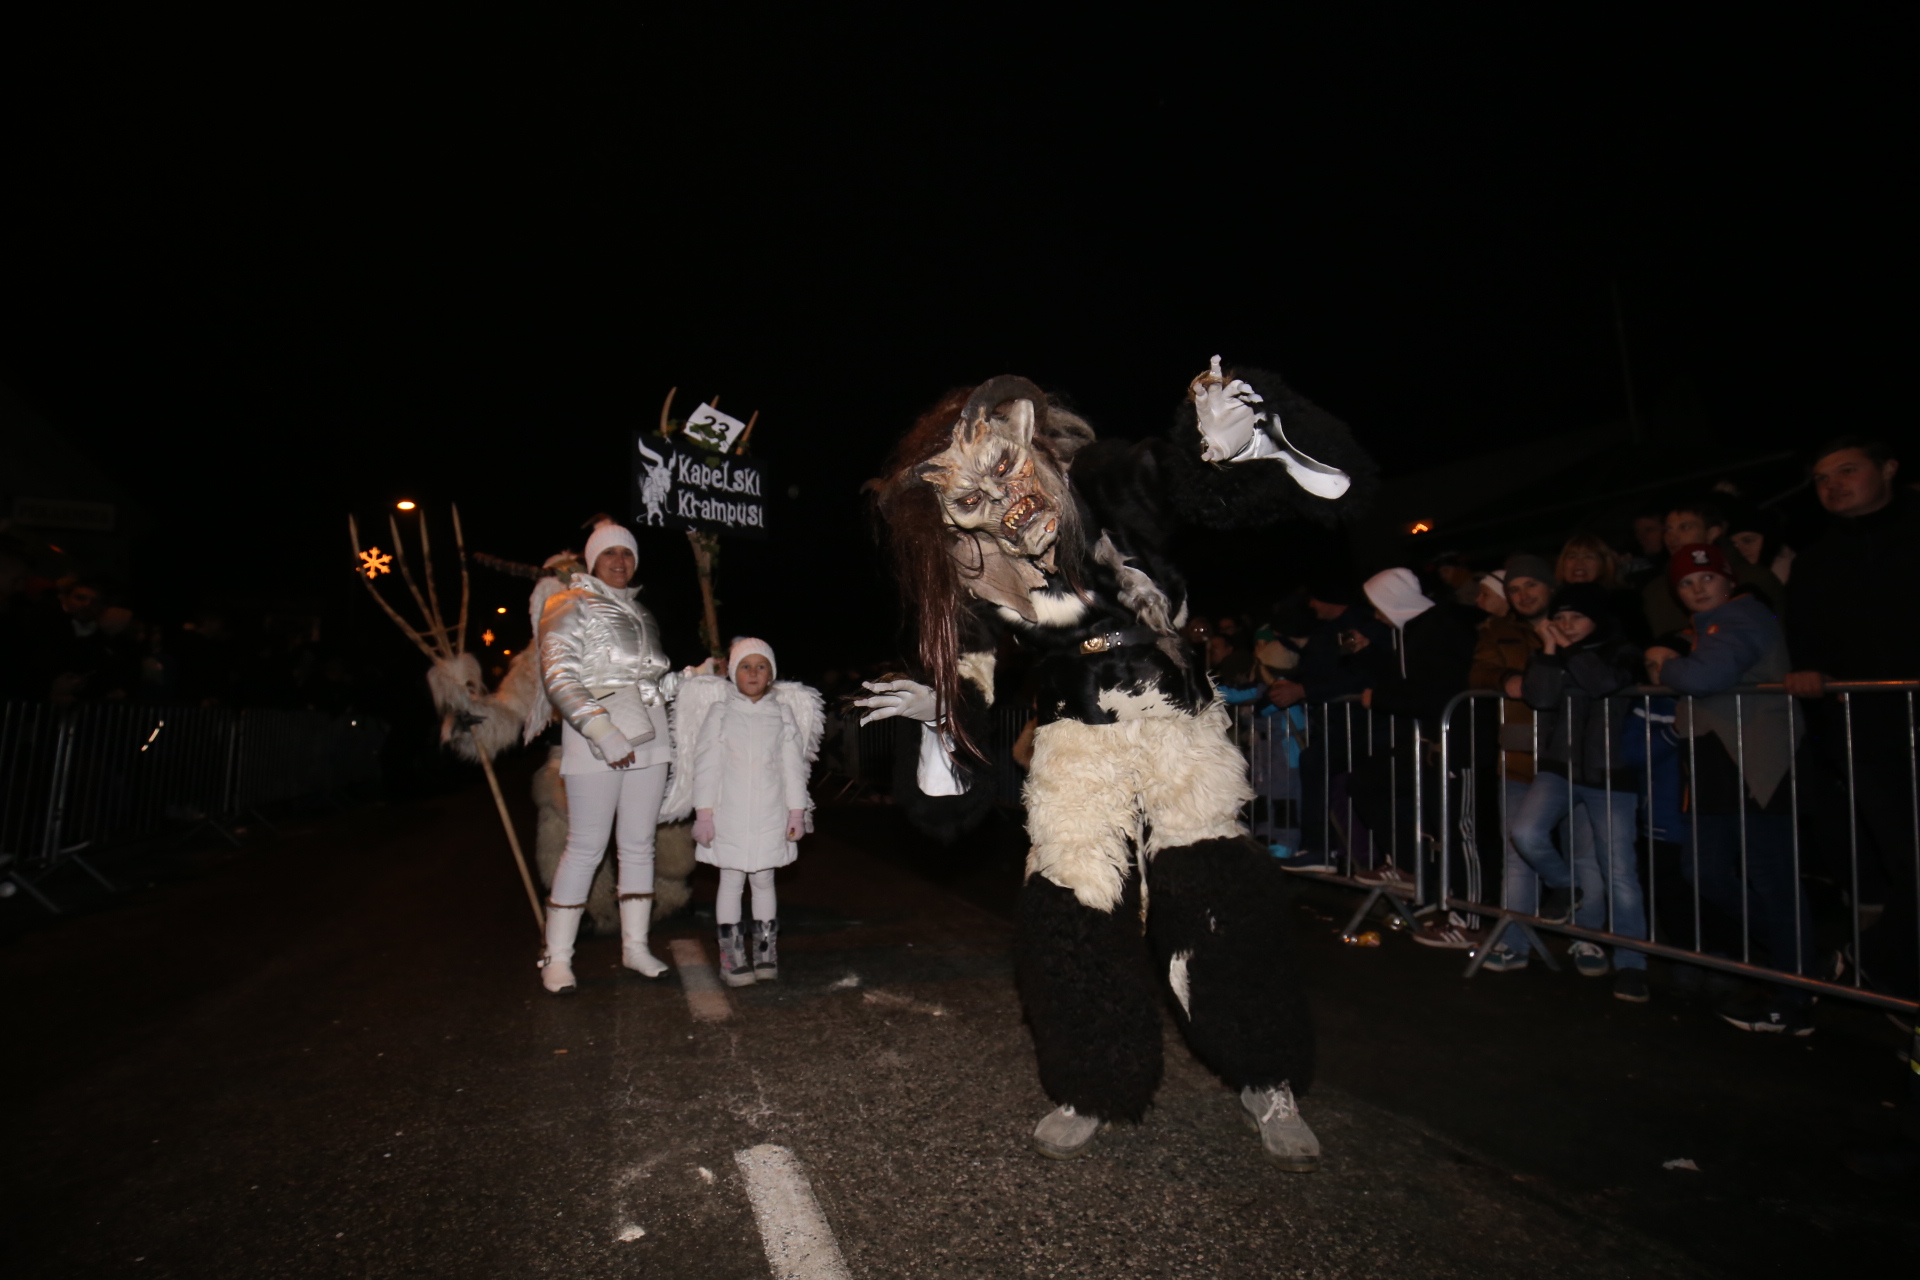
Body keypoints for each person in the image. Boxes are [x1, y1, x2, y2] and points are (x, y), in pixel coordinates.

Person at [863, 361, 1376, 1167]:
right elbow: (976, 671)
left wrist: (1228, 447)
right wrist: (945, 712)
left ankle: (1263, 1074)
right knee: (1071, 901)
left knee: (1213, 892)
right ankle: (1091, 1080)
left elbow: (1195, 488)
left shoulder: (1101, 485)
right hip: (1075, 735)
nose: (1003, 490)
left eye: (1005, 458)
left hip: (1172, 719)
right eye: (974, 484)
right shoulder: (976, 565)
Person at [1645, 543, 1811, 1032]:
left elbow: (1707, 675)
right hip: (1719, 768)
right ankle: (1797, 962)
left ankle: (1794, 993)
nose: (1697, 588)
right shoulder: (1713, 628)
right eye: (1686, 583)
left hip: (1756, 766)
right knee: (1707, 872)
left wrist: (1664, 665)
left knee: (1772, 880)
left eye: (1706, 578)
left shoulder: (1741, 618)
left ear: (1728, 580)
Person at [1785, 436, 1920, 999]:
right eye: (1822, 478)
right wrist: (1810, 671)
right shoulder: (1817, 560)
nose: (1833, 485)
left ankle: (1875, 964)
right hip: (1866, 728)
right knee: (1903, 851)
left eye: (1847, 470)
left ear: (1887, 469)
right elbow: (1805, 636)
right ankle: (1885, 972)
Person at [534, 521, 682, 994]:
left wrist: (691, 680)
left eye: (628, 554)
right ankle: (557, 957)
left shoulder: (643, 613)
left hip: (651, 737)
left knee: (640, 844)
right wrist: (601, 731)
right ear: (592, 560)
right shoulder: (568, 603)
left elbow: (653, 684)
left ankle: (635, 946)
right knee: (586, 846)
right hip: (595, 738)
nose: (620, 561)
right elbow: (558, 676)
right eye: (610, 554)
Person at [1506, 583, 1651, 1002]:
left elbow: (1602, 683)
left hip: (1612, 774)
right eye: (1561, 617)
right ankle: (1566, 886)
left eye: (1576, 617)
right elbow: (1540, 697)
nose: (1567, 625)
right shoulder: (1557, 651)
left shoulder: (1622, 651)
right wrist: (1549, 651)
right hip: (1559, 768)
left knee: (1621, 873)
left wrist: (1568, 651)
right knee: (1527, 832)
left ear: (1597, 620)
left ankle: (1632, 964)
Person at [689, 638, 816, 987]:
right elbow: (707, 766)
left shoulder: (782, 714)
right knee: (730, 881)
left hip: (769, 816)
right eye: (745, 666)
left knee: (763, 880)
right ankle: (731, 957)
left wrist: (796, 812)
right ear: (732, 672)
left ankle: (765, 951)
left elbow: (793, 768)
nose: (753, 672)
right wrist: (704, 813)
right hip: (728, 816)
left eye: (761, 666)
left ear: (771, 674)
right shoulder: (720, 713)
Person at [1642, 499, 1784, 639]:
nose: (1672, 538)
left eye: (1685, 527)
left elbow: (1778, 624)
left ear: (1712, 533)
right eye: (1668, 530)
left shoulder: (1753, 577)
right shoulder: (1656, 590)